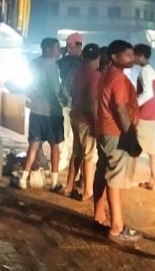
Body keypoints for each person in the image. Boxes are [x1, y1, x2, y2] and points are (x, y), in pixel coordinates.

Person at [93, 40, 142, 244]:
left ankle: (99, 215)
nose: (132, 58)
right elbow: (120, 109)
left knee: (103, 171)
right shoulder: (118, 78)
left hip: (105, 130)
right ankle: (116, 227)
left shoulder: (107, 74)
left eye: (132, 55)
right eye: (127, 55)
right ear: (115, 57)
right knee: (115, 178)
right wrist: (130, 135)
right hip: (116, 132)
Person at [20, 38, 65, 192]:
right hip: (51, 112)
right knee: (55, 147)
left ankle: (23, 179)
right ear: (47, 50)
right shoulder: (52, 65)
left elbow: (29, 86)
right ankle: (53, 183)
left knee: (33, 145)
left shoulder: (33, 63)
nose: (59, 51)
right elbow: (55, 89)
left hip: (36, 110)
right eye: (56, 48)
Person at [64, 43, 101, 200]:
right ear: (97, 58)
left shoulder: (76, 71)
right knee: (89, 157)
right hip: (87, 118)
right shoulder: (95, 75)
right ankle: (88, 191)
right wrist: (96, 121)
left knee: (77, 154)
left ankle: (69, 186)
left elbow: (70, 91)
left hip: (75, 115)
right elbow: (93, 100)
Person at [134, 44, 155, 190]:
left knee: (138, 148)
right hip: (150, 113)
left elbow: (148, 93)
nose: (133, 58)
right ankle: (152, 180)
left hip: (145, 114)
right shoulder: (148, 70)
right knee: (150, 149)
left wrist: (134, 105)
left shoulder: (145, 71)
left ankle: (152, 180)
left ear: (141, 56)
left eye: (135, 55)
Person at [58, 32, 84, 166]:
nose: (68, 48)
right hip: (65, 102)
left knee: (78, 136)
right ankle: (63, 158)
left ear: (79, 46)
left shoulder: (84, 62)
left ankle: (76, 163)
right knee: (64, 131)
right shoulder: (65, 60)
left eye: (70, 46)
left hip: (78, 104)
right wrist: (62, 54)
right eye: (67, 46)